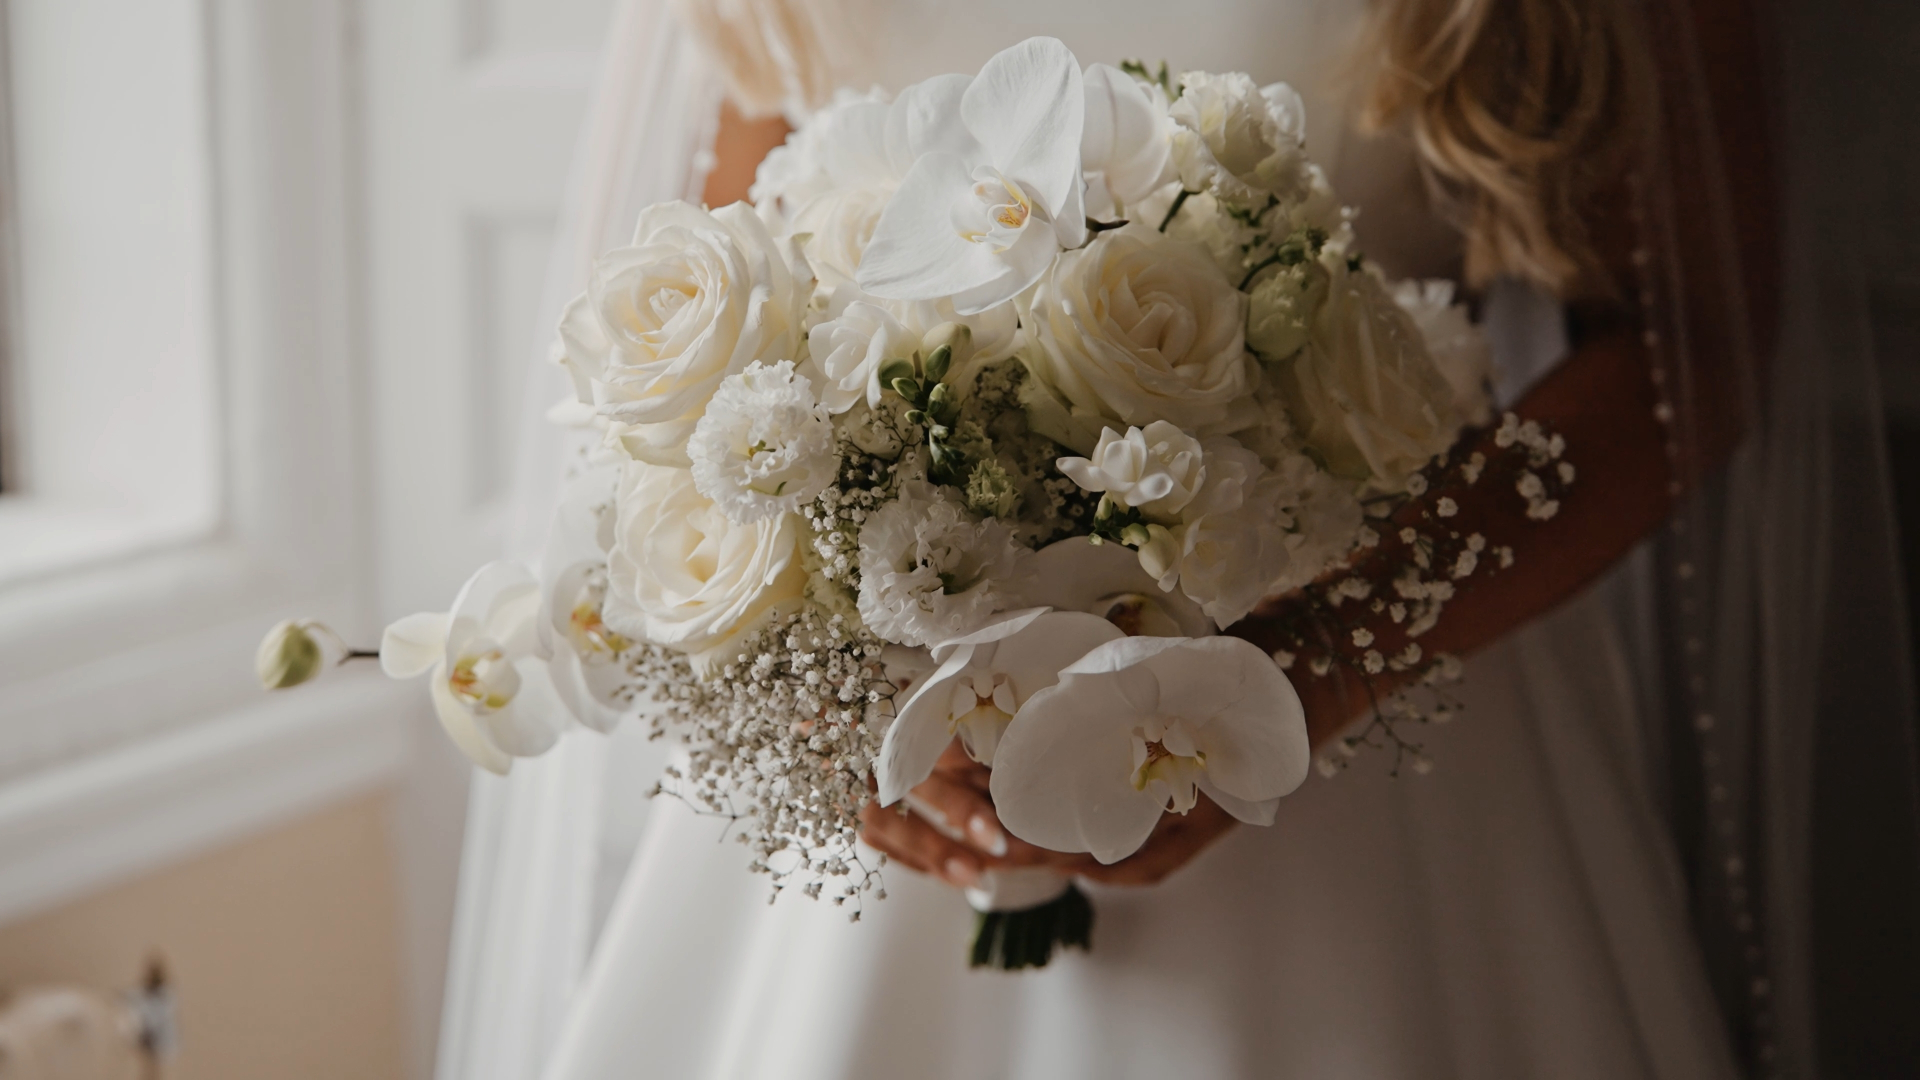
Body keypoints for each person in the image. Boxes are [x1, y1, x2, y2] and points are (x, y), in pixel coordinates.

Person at [514, 0, 1920, 1077]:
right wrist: (837, 706)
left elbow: (1688, 346)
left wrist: (1307, 673)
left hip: (1385, 755)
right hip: (909, 761)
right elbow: (731, 317)